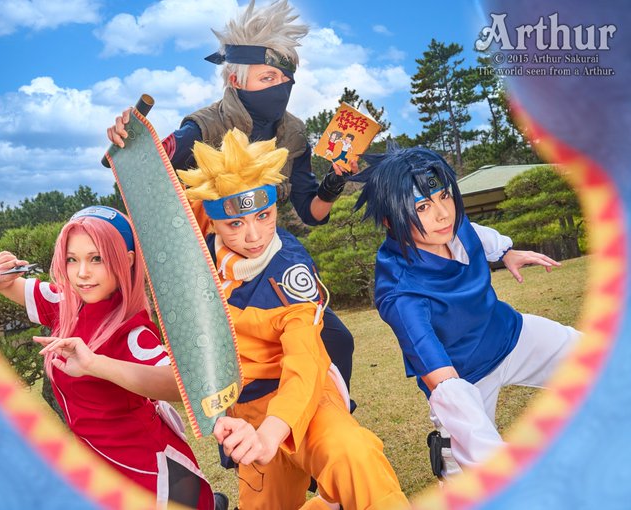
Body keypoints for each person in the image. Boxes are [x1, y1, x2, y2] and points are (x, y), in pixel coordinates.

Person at [106, 0, 356, 403]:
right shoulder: (205, 125)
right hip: (215, 266)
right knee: (234, 367)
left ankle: (327, 417)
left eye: (286, 78)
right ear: (236, 79)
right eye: (268, 76)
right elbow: (156, 162)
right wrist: (129, 140)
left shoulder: (293, 133)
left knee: (337, 340)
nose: (281, 86)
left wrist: (334, 182)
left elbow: (311, 214)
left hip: (270, 255)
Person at [178, 128, 409, 510]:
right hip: (246, 416)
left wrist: (273, 431)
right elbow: (161, 217)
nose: (254, 236)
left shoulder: (289, 271)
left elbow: (305, 360)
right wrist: (131, 148)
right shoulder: (207, 236)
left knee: (354, 457)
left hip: (303, 401)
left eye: (264, 216)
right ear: (213, 220)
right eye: (236, 224)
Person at [351, 143, 581, 478]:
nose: (443, 214)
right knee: (474, 473)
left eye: (445, 196)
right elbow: (438, 373)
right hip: (463, 379)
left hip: (510, 335)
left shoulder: (451, 224)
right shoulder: (400, 292)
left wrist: (506, 252)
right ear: (391, 220)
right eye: (423, 206)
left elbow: (473, 233)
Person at [0, 206, 221, 509]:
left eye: (97, 258)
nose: (82, 272)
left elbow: (181, 385)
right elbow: (3, 284)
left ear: (127, 260)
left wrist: (95, 365)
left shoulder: (132, 331)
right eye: (72, 259)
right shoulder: (64, 303)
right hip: (98, 462)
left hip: (145, 468)